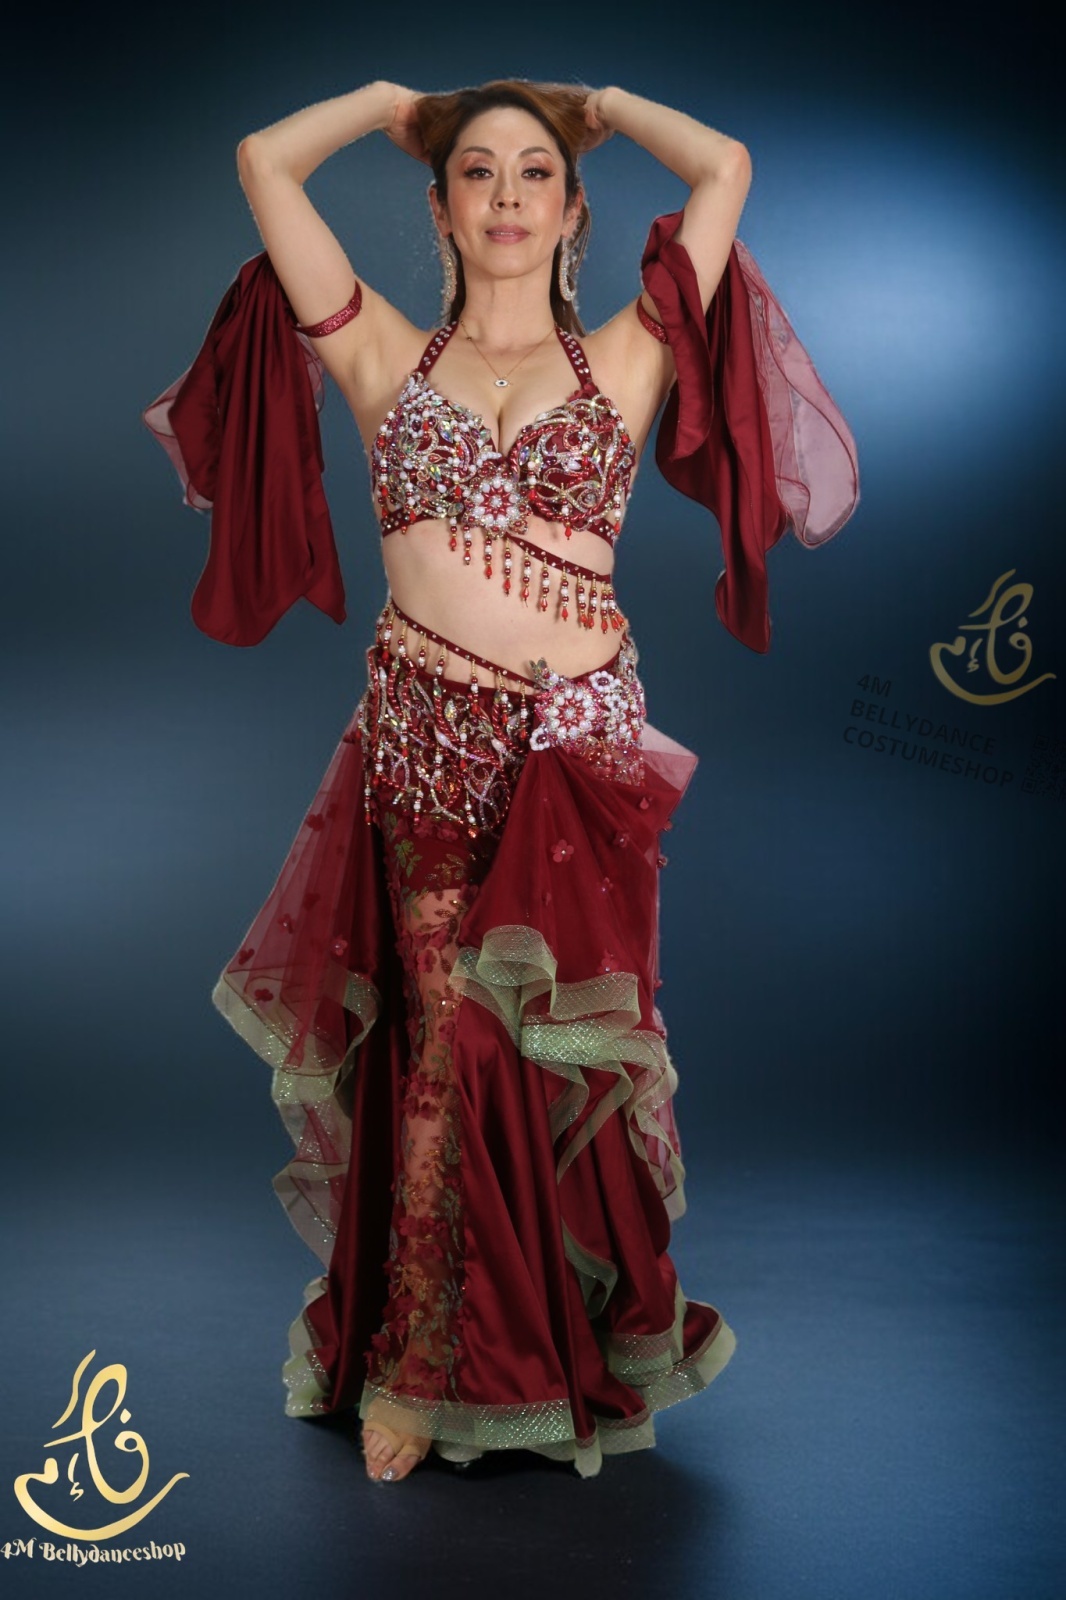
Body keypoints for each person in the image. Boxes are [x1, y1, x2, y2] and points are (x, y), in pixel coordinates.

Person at [143, 78, 859, 1486]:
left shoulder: (630, 356)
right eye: (479, 171)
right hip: (424, 744)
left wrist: (605, 106)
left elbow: (723, 165)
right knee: (434, 1055)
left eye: (536, 171)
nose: (510, 195)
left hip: (574, 762)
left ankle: (543, 1340)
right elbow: (261, 161)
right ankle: (416, 1367)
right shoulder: (378, 353)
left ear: (573, 207)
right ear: (441, 207)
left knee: (529, 1056)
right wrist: (385, 104)